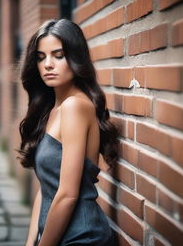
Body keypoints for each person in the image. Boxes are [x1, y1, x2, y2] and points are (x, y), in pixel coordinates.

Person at [18, 19, 118, 246]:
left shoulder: (75, 107)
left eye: (58, 55)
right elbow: (46, 188)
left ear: (75, 57)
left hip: (82, 237)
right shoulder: (51, 109)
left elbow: (68, 194)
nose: (48, 65)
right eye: (41, 57)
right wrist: (30, 241)